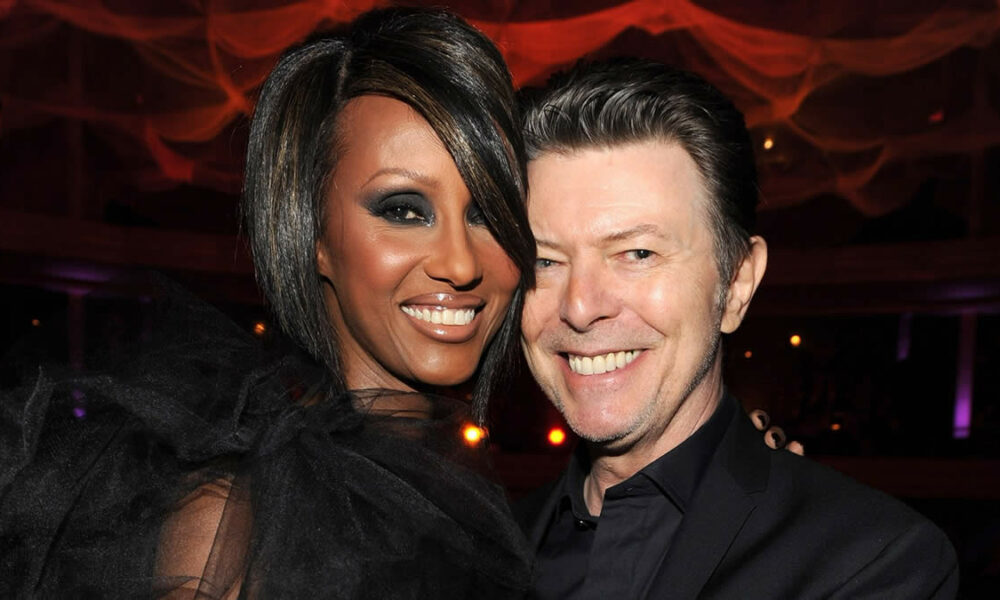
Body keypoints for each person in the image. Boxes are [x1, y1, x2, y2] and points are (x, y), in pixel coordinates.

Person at [0, 8, 535, 598]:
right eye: (404, 210)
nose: (460, 264)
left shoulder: (463, 494)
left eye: (487, 213)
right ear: (314, 235)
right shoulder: (239, 515)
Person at [515, 58, 959, 599]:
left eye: (638, 253)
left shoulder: (870, 561)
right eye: (544, 261)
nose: (581, 306)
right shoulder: (479, 552)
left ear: (737, 284)